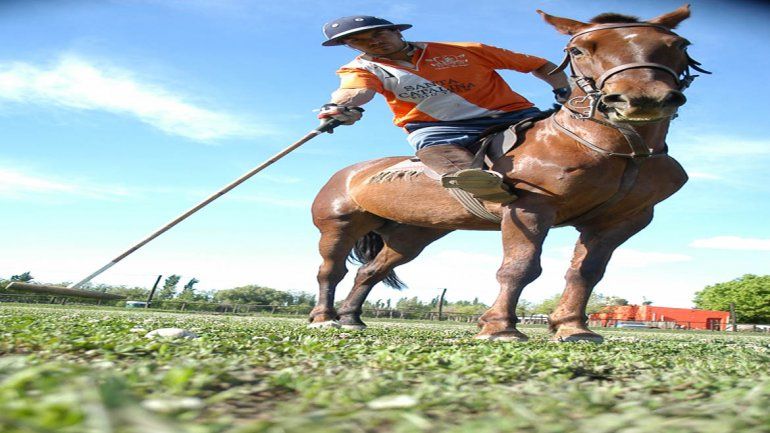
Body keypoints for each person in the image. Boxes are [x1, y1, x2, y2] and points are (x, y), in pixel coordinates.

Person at [318, 16, 570, 203]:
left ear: (396, 30)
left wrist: (564, 92)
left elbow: (539, 64)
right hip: (437, 128)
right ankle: (483, 188)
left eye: (379, 33)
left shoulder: (466, 50)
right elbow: (355, 90)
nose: (373, 42)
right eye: (358, 40)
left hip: (514, 114)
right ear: (350, 46)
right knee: (439, 156)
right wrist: (341, 107)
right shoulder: (359, 68)